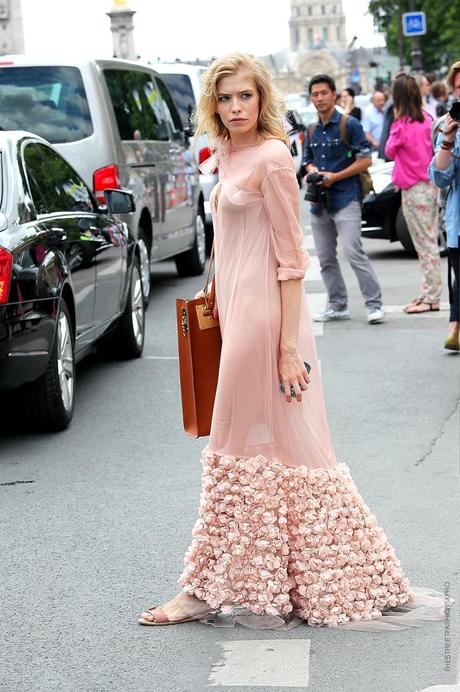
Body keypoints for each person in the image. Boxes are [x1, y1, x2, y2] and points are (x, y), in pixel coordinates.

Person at [137, 53, 420, 629]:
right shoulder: (226, 156)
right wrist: (215, 286)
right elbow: (232, 237)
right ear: (212, 105)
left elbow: (292, 261)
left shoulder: (271, 158)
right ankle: (355, 570)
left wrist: (289, 345)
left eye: (245, 96)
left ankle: (199, 592)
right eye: (224, 98)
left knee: (232, 443)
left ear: (262, 99)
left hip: (268, 315)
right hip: (234, 306)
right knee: (282, 448)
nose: (235, 107)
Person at [302, 73, 384, 324]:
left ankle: (374, 304)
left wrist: (335, 176)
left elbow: (366, 159)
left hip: (346, 197)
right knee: (325, 258)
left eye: (324, 93)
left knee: (353, 252)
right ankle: (337, 305)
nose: (319, 98)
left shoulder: (349, 124)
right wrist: (312, 171)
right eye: (315, 94)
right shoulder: (312, 128)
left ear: (334, 95)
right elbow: (307, 161)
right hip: (319, 203)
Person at [385, 74, 442, 314]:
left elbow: (388, 151)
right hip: (429, 186)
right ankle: (428, 291)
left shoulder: (402, 125)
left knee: (425, 244)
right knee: (428, 241)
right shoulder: (428, 118)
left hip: (413, 189)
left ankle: (432, 297)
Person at [429, 60, 460, 350]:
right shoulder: (450, 125)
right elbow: (439, 176)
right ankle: (455, 326)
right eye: (459, 88)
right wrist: (448, 139)